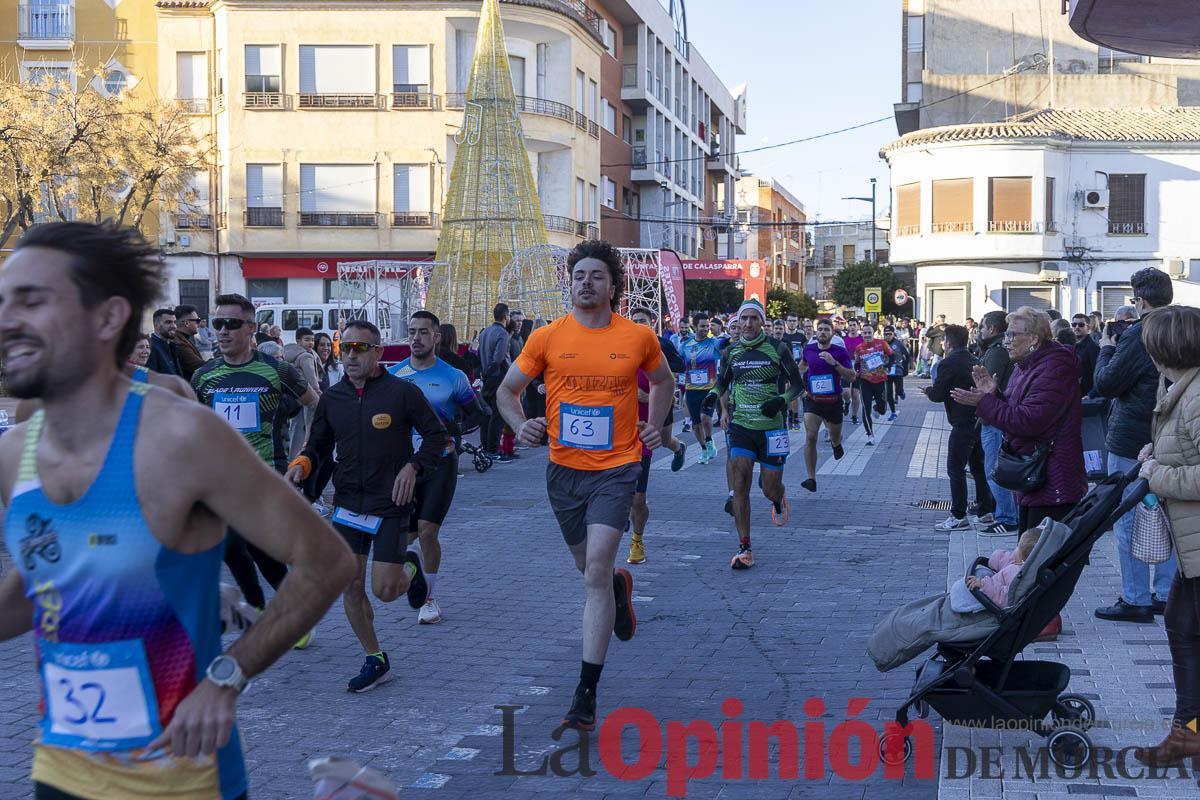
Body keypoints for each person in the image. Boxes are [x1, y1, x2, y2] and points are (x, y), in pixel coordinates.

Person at [0, 221, 354, 800]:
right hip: (58, 770)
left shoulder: (183, 437)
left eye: (32, 301)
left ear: (108, 318)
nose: (7, 320)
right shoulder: (14, 454)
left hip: (179, 781)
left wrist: (228, 675)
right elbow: (40, 584)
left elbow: (326, 562)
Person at [496, 239, 673, 730]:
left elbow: (663, 381)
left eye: (596, 276)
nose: (586, 283)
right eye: (579, 276)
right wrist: (518, 425)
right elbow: (506, 391)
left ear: (613, 286)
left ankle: (585, 692)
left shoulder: (637, 336)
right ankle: (618, 587)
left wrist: (655, 425)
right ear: (569, 284)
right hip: (563, 473)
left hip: (618, 469)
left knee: (594, 569)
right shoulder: (547, 338)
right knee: (589, 568)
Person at [288, 320, 445, 690]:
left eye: (361, 349)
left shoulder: (401, 393)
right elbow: (319, 447)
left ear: (378, 353)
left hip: (390, 503)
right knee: (350, 585)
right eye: (347, 349)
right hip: (348, 504)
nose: (352, 356)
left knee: (386, 591)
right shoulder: (333, 398)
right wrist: (301, 464)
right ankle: (375, 659)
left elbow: (438, 437)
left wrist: (414, 466)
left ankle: (410, 566)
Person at [192, 294, 320, 646]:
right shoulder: (204, 376)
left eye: (232, 324)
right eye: (218, 323)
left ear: (251, 328)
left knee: (255, 544)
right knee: (230, 546)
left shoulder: (276, 369)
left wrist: (307, 451)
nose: (223, 331)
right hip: (221, 479)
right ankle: (265, 610)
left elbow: (315, 406)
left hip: (266, 473)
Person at [1130, 305, 1200, 767]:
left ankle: (1188, 734)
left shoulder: (1196, 395)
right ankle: (1188, 732)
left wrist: (1157, 474)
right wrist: (1158, 453)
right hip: (1191, 548)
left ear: (1164, 348)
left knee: (1184, 631)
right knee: (1182, 628)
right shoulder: (1182, 388)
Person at [389, 311, 488, 624]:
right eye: (412, 332)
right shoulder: (393, 375)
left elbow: (478, 413)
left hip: (441, 462)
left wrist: (454, 432)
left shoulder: (453, 376)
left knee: (428, 532)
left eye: (423, 332)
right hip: (404, 464)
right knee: (401, 539)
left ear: (436, 337)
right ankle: (413, 571)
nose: (416, 338)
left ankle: (428, 600)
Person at [952, 306, 1086, 532]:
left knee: (1041, 559)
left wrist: (983, 402)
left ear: (1033, 338)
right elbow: (1018, 410)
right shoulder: (1026, 365)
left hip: (1051, 479)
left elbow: (1029, 420)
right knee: (1027, 558)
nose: (1007, 341)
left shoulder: (1054, 366)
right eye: (1006, 334)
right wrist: (993, 395)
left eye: (1013, 335)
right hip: (1033, 478)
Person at [1093, 268, 1177, 623]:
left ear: (1139, 300)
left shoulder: (1139, 333)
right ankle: (1167, 594)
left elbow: (1106, 384)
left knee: (1128, 519)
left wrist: (1106, 350)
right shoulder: (1185, 325)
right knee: (1171, 516)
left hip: (1132, 439)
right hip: (1174, 435)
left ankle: (1136, 598)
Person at [703, 299, 804, 569]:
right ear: (737, 322)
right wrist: (712, 396)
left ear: (762, 322)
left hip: (772, 429)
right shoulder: (731, 352)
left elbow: (797, 385)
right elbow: (722, 381)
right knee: (740, 484)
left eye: (752, 318)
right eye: (743, 319)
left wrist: (781, 401)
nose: (747, 324)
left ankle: (777, 496)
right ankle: (745, 547)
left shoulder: (777, 348)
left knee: (770, 488)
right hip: (742, 428)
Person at [626, 306, 687, 565]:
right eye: (635, 321)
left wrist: (649, 396)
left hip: (645, 431)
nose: (639, 325)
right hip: (616, 434)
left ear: (652, 324)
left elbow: (670, 383)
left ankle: (637, 540)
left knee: (638, 499)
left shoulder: (659, 352)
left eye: (643, 321)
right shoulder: (621, 351)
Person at [926, 325, 994, 531]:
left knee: (955, 468)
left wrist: (928, 390)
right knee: (978, 467)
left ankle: (958, 514)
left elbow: (938, 394)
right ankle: (986, 510)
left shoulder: (947, 363)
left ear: (947, 342)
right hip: (978, 421)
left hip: (962, 423)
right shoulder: (975, 360)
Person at [799, 318, 855, 494]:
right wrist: (795, 382)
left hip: (833, 402)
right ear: (816, 332)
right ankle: (811, 478)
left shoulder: (839, 352)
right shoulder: (808, 349)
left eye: (826, 329)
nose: (822, 332)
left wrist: (834, 363)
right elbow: (801, 367)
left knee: (834, 435)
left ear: (832, 333)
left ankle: (836, 444)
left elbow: (852, 376)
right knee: (810, 436)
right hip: (813, 401)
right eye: (820, 329)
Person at [976, 310, 1019, 536]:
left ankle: (1007, 517)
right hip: (997, 417)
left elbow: (987, 385)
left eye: (982, 327)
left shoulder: (996, 352)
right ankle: (1009, 514)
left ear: (991, 329)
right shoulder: (997, 350)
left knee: (994, 470)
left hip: (994, 420)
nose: (979, 331)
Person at [680, 313, 722, 464]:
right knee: (696, 423)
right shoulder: (685, 345)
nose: (706, 329)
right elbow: (678, 363)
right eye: (702, 326)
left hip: (709, 388)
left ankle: (709, 440)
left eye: (707, 326)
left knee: (706, 417)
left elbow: (726, 350)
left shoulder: (713, 343)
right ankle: (704, 449)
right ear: (695, 327)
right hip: (691, 389)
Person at [478, 302, 512, 462]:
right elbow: (498, 358)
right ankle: (493, 449)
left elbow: (479, 353)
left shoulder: (485, 332)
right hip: (497, 376)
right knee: (498, 414)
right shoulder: (502, 333)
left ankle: (485, 447)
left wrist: (484, 373)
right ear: (506, 316)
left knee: (488, 413)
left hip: (486, 376)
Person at [284, 326, 323, 460]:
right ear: (298, 341)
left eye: (312, 340)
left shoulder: (289, 355)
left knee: (296, 427)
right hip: (308, 395)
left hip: (295, 396)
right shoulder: (306, 356)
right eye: (307, 340)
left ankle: (293, 456)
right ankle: (302, 456)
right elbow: (311, 377)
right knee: (308, 426)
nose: (311, 343)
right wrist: (317, 391)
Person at [854, 324, 891, 446]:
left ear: (873, 333)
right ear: (862, 334)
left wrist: (887, 366)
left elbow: (892, 355)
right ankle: (870, 435)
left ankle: (878, 408)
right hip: (865, 381)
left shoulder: (882, 344)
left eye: (869, 332)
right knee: (866, 409)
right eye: (865, 333)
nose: (867, 335)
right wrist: (857, 372)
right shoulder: (859, 348)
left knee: (883, 410)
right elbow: (857, 364)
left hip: (880, 380)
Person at [881, 325, 909, 420]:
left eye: (890, 334)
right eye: (885, 334)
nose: (887, 336)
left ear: (894, 334)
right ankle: (893, 412)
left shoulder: (898, 343)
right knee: (889, 392)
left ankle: (901, 393)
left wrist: (905, 369)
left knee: (898, 390)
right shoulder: (882, 344)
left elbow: (907, 355)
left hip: (898, 370)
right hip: (887, 371)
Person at [173, 304, 206, 380]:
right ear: (186, 323)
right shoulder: (179, 343)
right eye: (197, 321)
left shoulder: (183, 338)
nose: (199, 323)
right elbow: (200, 367)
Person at [147, 307, 183, 375]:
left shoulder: (172, 345)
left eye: (174, 322)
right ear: (156, 325)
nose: (174, 326)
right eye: (168, 322)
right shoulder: (150, 348)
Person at [1072, 313, 1100, 397]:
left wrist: (1091, 394)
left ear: (1088, 328)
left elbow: (1098, 373)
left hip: (1086, 395)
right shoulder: (1072, 345)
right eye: (1074, 324)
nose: (1077, 327)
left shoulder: (1093, 347)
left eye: (1081, 325)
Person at [842, 319, 864, 424]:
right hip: (845, 368)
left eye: (854, 325)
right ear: (847, 327)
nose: (852, 327)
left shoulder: (862, 339)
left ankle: (854, 416)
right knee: (846, 392)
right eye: (850, 325)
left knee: (855, 394)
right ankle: (846, 402)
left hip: (858, 369)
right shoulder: (843, 339)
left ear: (858, 327)